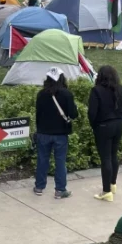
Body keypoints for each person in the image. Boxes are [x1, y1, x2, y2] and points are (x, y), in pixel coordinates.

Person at [88, 66, 122, 202]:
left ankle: (106, 191)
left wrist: (95, 126)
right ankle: (112, 184)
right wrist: (121, 118)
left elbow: (92, 113)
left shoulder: (96, 91)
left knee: (105, 158)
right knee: (113, 154)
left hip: (103, 126)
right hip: (118, 125)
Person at [34, 67, 77, 200]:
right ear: (62, 79)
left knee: (42, 160)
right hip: (60, 134)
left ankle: (39, 187)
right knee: (60, 161)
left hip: (43, 133)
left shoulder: (41, 94)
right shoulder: (66, 94)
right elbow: (74, 114)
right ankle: (60, 190)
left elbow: (38, 115)